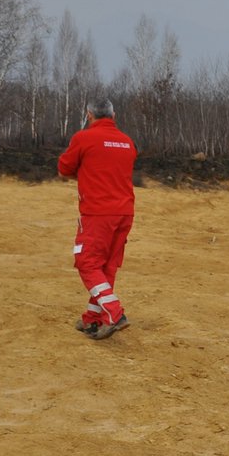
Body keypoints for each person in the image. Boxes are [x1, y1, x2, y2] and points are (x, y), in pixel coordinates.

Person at [57, 98, 138, 339]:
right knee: (107, 266)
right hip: (125, 212)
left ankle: (114, 312)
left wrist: (82, 175)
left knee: (87, 262)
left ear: (89, 115)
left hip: (97, 213)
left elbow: (64, 169)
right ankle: (94, 318)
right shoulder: (127, 142)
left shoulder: (83, 138)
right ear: (114, 116)